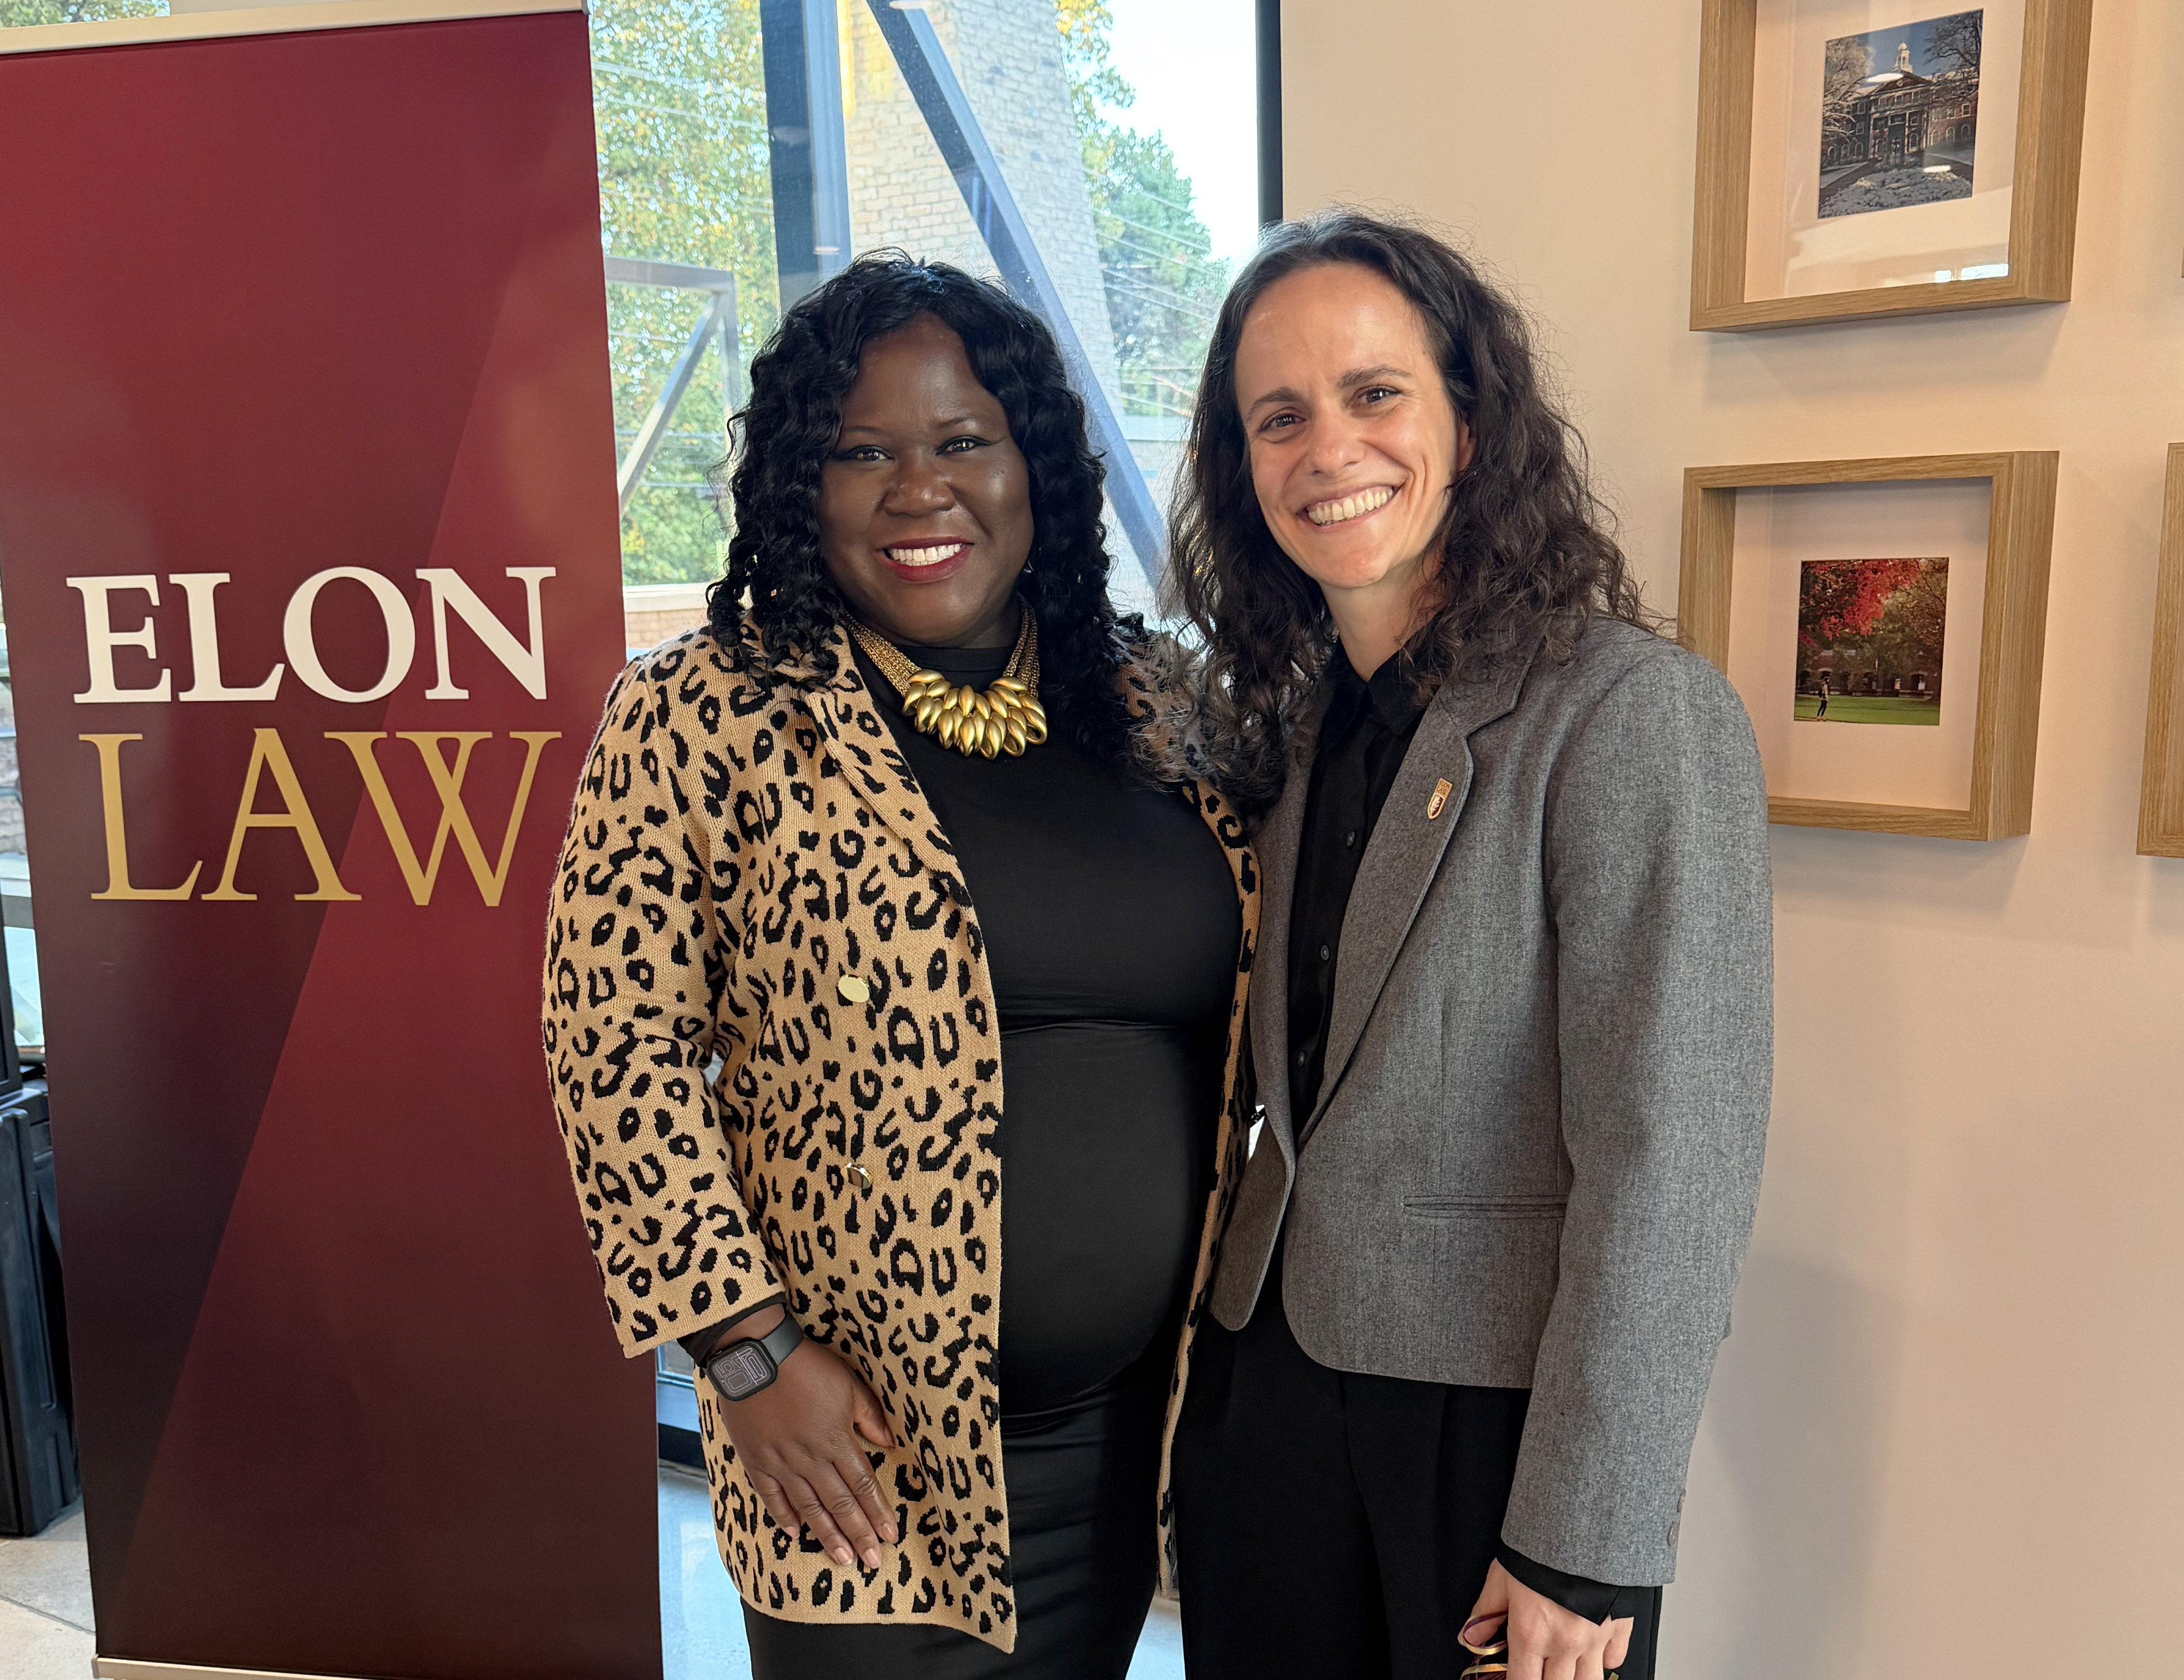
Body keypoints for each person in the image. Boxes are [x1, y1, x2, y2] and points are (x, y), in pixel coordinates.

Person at [543, 254, 1258, 1678]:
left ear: (1033, 465)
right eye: (860, 451)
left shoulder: (1159, 701)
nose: (916, 488)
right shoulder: (706, 712)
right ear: (801, 488)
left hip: (1130, 1439)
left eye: (960, 443)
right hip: (857, 1459)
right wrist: (743, 1355)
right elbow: (611, 1051)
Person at [1164, 210, 1771, 1680]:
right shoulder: (1286, 726)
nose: (1328, 449)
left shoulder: (1624, 713)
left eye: (1373, 395)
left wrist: (1583, 1533)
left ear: (1471, 422)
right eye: (1277, 416)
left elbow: (1669, 1159)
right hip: (1267, 1403)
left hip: (1490, 1435)